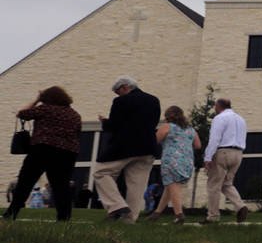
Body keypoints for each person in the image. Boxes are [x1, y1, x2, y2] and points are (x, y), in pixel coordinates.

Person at [2, 87, 81, 221]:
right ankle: (64, 218)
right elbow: (77, 134)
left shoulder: (45, 108)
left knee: (25, 182)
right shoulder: (74, 115)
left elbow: (22, 113)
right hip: (67, 153)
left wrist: (37, 99)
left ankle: (11, 213)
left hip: (43, 149)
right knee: (61, 186)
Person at [93, 76, 161, 222]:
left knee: (101, 171)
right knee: (137, 184)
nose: (118, 95)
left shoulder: (121, 101)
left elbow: (115, 126)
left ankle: (116, 205)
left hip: (125, 145)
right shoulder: (154, 100)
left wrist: (105, 122)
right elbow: (152, 123)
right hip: (148, 146)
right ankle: (129, 220)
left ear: (124, 87)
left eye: (118, 92)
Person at [147, 106, 200, 224]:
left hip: (171, 160)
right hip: (187, 161)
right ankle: (156, 213)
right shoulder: (191, 129)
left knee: (172, 185)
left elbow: (155, 140)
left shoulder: (167, 127)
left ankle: (179, 214)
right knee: (170, 187)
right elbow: (198, 145)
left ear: (168, 116)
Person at [201, 98, 249, 224]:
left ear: (218, 106)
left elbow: (215, 138)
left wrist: (208, 157)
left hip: (223, 152)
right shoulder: (241, 119)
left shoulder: (220, 118)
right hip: (238, 153)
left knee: (213, 186)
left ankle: (213, 216)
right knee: (227, 183)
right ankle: (240, 206)